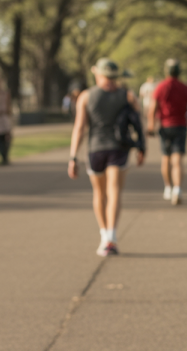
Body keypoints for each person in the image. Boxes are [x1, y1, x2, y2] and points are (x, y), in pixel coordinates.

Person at [68, 57, 146, 256]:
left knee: (99, 194)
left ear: (98, 73)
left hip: (95, 149)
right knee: (114, 192)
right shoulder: (127, 95)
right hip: (119, 149)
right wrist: (141, 148)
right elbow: (138, 123)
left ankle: (104, 236)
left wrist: (73, 157)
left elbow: (79, 128)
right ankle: (111, 237)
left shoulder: (86, 96)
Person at [147, 59, 187, 205]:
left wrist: (151, 125)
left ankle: (168, 187)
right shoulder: (185, 88)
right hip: (180, 126)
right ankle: (177, 189)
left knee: (166, 158)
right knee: (177, 160)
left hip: (165, 126)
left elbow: (153, 108)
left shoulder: (160, 87)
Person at [0, 75, 12, 166]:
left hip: (4, 119)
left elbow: (9, 107)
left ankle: (5, 157)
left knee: (6, 138)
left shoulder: (5, 93)